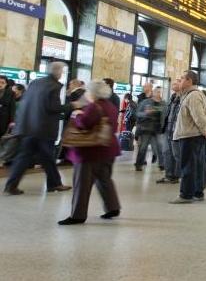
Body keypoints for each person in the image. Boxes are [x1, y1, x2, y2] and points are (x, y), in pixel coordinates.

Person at [57, 80, 121, 225]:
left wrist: (76, 115)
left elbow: (84, 124)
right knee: (104, 179)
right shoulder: (110, 106)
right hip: (108, 148)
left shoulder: (94, 107)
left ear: (92, 93)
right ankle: (113, 207)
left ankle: (77, 215)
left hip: (90, 151)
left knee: (82, 183)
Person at [3, 62, 72, 195]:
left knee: (26, 157)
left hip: (29, 126)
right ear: (57, 71)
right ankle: (54, 184)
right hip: (43, 128)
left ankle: (11, 185)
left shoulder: (36, 82)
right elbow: (53, 107)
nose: (63, 74)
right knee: (47, 157)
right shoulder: (54, 86)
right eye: (63, 71)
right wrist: (72, 105)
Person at [169, 71, 206, 203]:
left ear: (189, 81)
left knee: (188, 166)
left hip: (191, 136)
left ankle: (186, 195)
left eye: (182, 78)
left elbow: (199, 116)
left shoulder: (193, 96)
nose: (179, 80)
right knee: (196, 165)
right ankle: (197, 192)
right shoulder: (188, 95)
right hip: (193, 135)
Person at [134, 84, 165, 171]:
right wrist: (146, 113)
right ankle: (139, 164)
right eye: (157, 91)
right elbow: (137, 113)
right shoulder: (146, 102)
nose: (158, 93)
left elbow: (165, 116)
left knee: (160, 146)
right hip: (146, 128)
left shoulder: (163, 104)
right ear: (153, 92)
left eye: (160, 92)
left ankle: (162, 164)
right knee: (143, 147)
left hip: (158, 129)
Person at [156, 82, 181, 185]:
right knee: (166, 152)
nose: (174, 83)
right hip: (168, 129)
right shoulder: (173, 97)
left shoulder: (184, 97)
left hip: (177, 130)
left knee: (176, 155)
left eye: (178, 81)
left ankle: (175, 176)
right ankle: (169, 175)